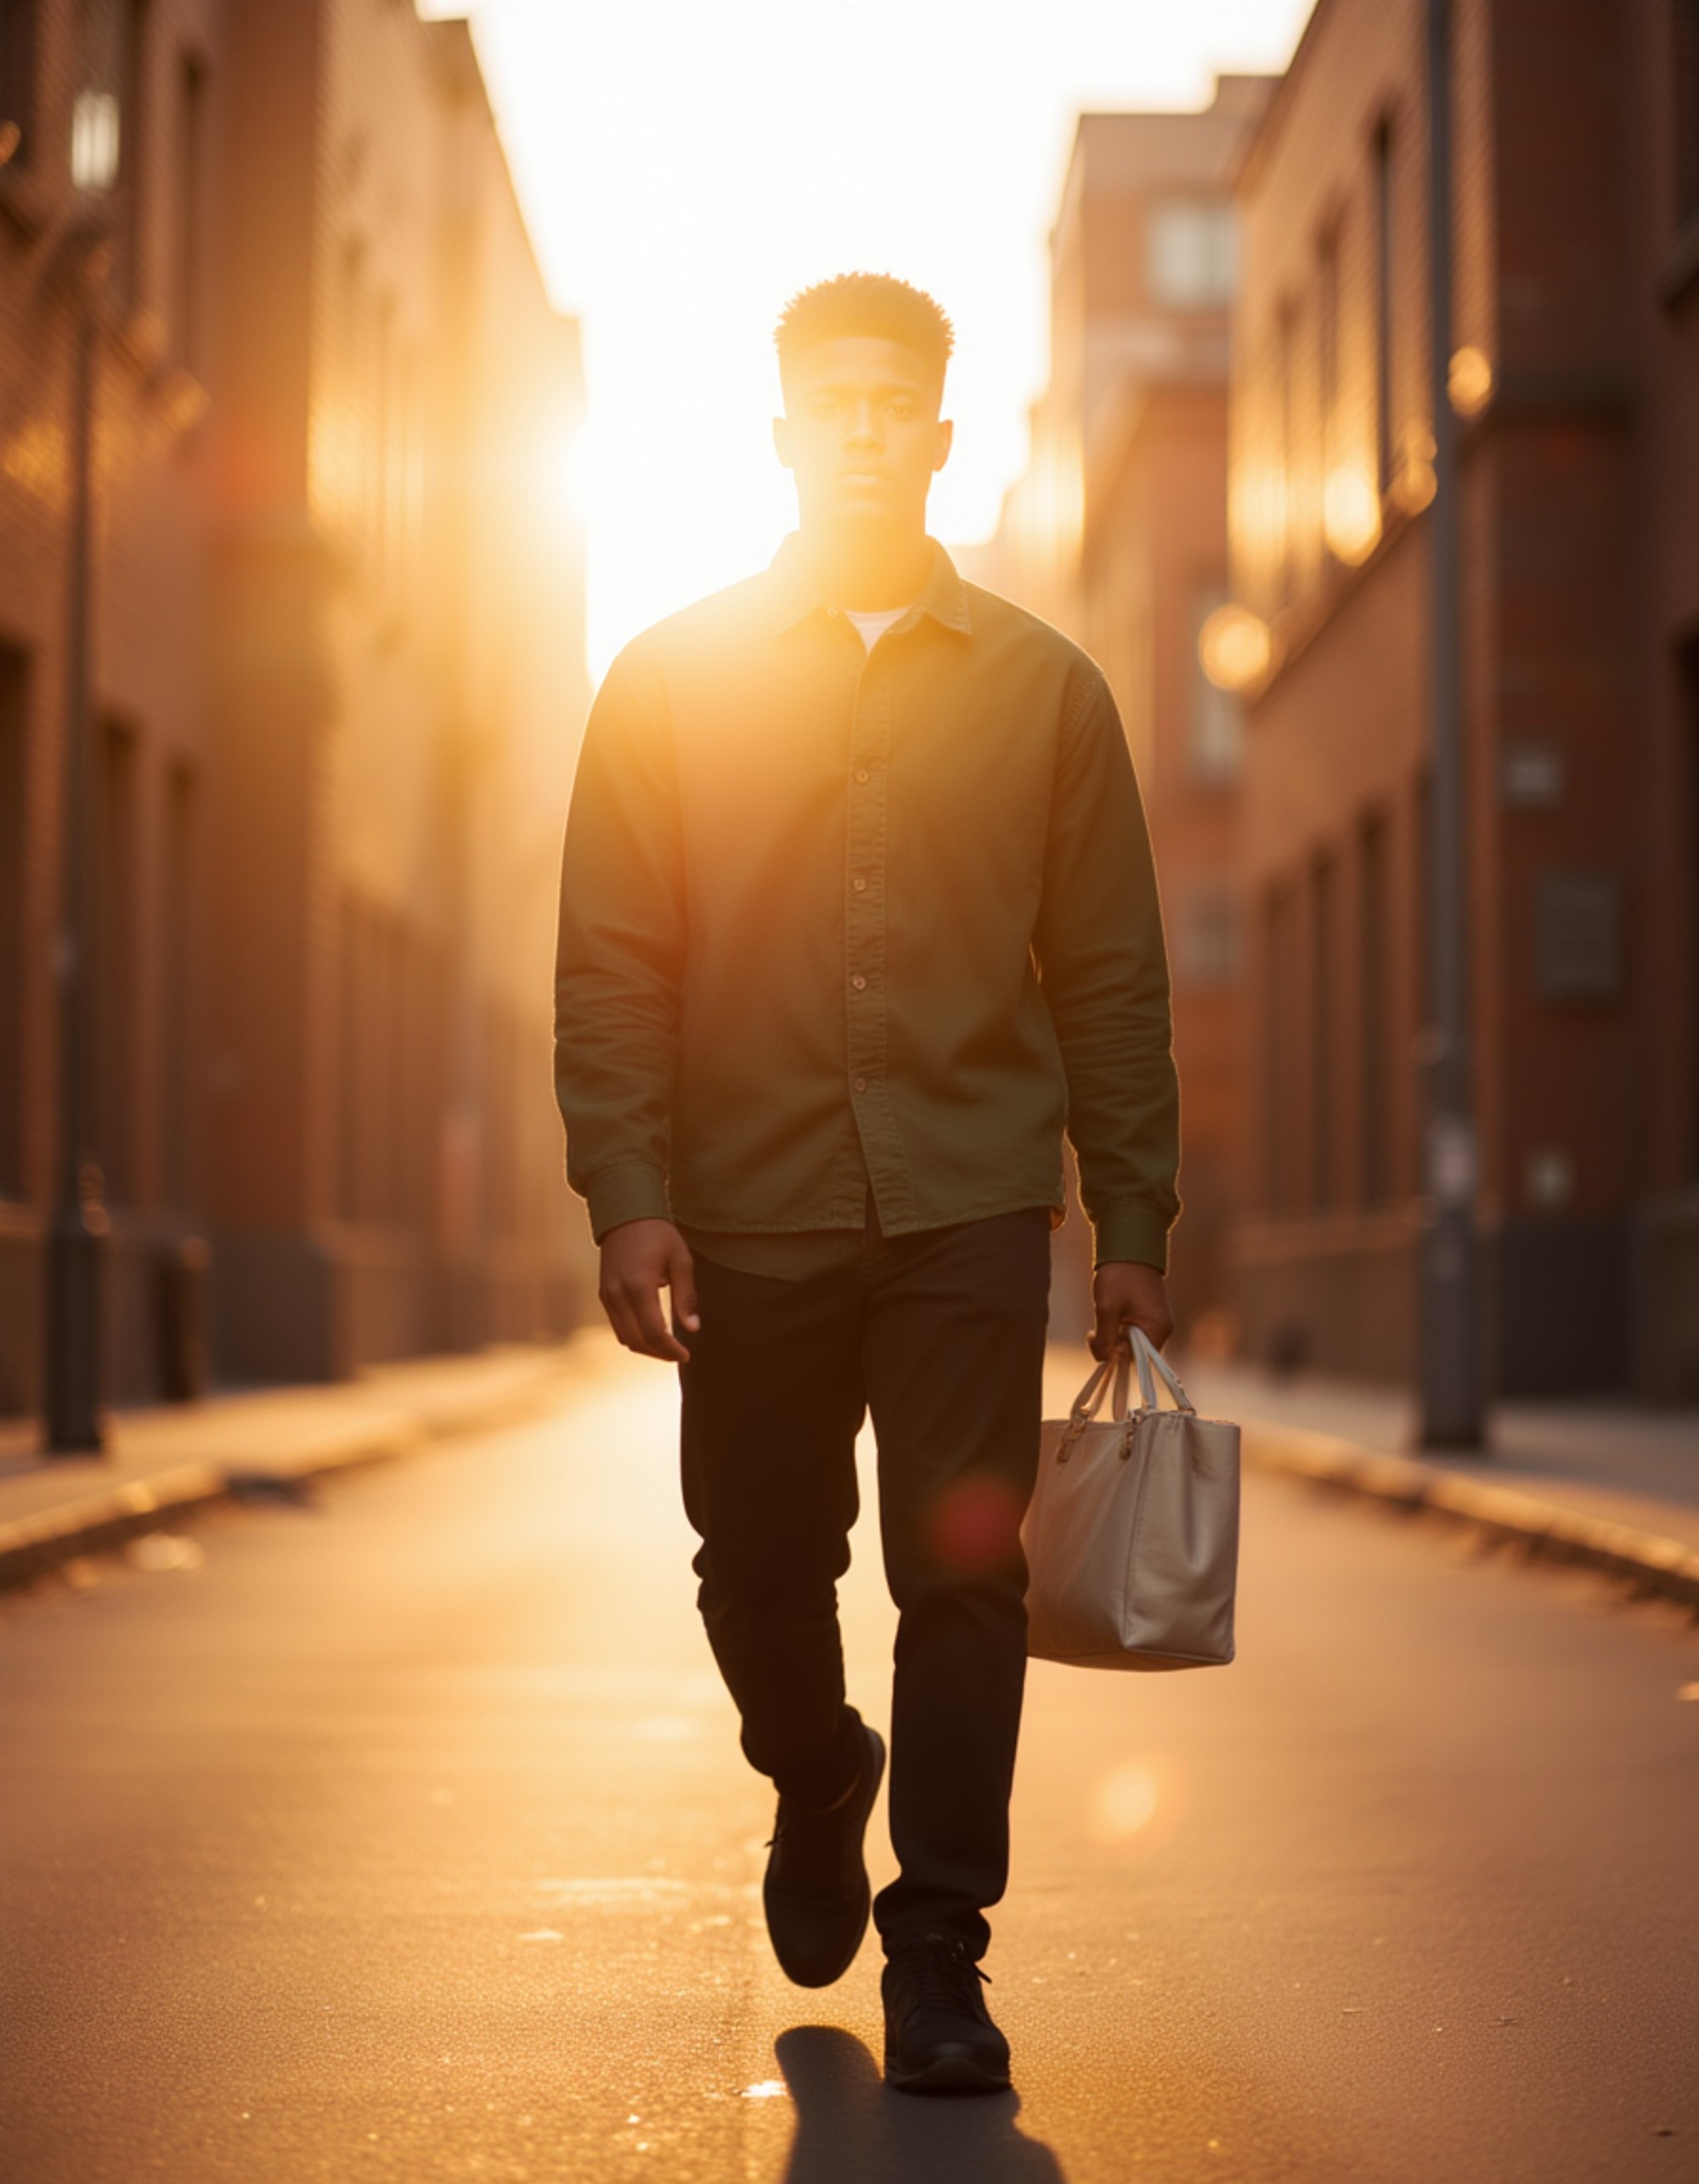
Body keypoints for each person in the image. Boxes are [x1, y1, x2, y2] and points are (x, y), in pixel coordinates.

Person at [553, 273, 1179, 2095]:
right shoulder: (665, 679)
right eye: (822, 402)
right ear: (779, 435)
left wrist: (1131, 1219)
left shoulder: (1049, 694)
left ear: (932, 435)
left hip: (974, 1203)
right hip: (741, 1210)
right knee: (754, 1560)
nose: (854, 429)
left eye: (885, 404)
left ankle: (941, 1950)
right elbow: (613, 960)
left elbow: (1112, 975)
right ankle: (819, 1764)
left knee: (964, 1576)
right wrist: (627, 1188)